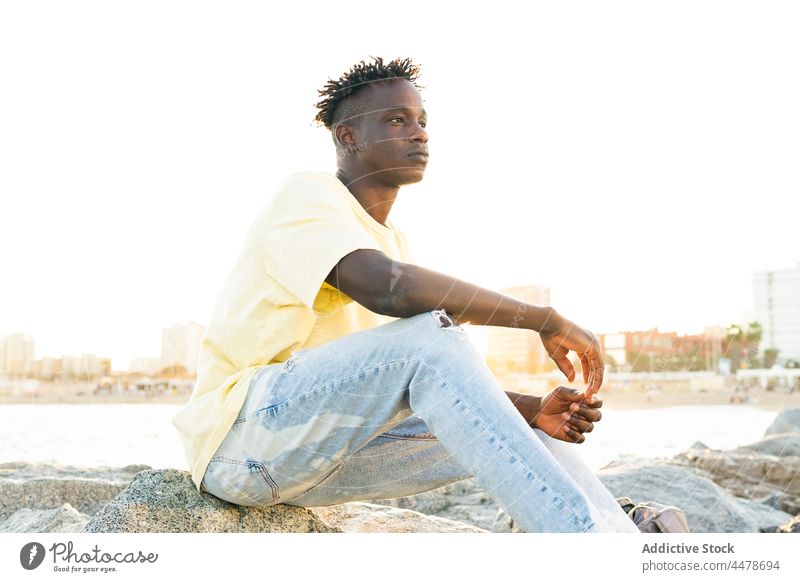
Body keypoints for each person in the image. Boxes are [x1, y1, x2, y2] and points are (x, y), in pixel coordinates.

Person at [171, 56, 639, 533]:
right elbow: (389, 292)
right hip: (240, 445)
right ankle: (587, 546)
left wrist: (532, 409)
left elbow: (408, 380)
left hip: (312, 460)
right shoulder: (309, 195)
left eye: (422, 121)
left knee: (535, 425)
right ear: (347, 138)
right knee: (430, 333)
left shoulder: (391, 241)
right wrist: (545, 319)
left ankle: (624, 540)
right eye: (396, 120)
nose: (419, 133)